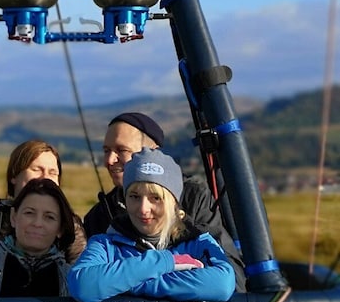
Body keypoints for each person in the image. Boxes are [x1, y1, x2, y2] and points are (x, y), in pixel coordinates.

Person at [67, 148, 236, 302]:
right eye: (134, 197)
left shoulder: (199, 242)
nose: (143, 208)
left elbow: (223, 284)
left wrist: (127, 282)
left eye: (155, 198)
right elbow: (82, 285)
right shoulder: (104, 244)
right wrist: (164, 262)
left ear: (173, 201)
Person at [82, 111, 247, 290]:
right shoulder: (98, 217)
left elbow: (227, 275)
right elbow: (86, 284)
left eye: (121, 150)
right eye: (106, 151)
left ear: (152, 153)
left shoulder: (193, 197)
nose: (109, 160)